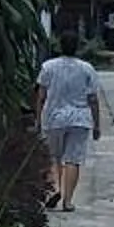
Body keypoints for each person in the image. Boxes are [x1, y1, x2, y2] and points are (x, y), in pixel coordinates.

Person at [35, 29, 101, 212]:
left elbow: (41, 95)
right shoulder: (87, 69)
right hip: (80, 119)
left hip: (54, 118)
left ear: (60, 46)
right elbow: (93, 99)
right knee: (73, 159)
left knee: (54, 158)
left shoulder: (48, 67)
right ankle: (68, 201)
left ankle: (56, 189)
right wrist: (97, 124)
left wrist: (38, 119)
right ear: (78, 47)